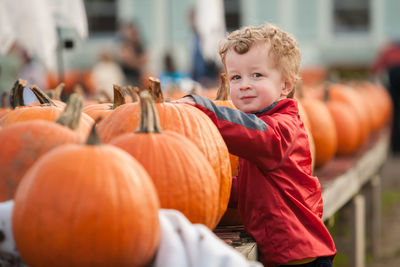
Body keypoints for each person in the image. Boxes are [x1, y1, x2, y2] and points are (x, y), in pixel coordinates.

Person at [174, 23, 337, 266]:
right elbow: (253, 190)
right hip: (280, 253)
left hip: (300, 256)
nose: (244, 85)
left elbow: (258, 136)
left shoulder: (283, 128)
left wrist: (202, 108)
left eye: (257, 75)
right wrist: (207, 188)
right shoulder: (261, 124)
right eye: (236, 77)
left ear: (285, 85)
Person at [371, 40, 400, 154]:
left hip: (393, 82)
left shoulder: (388, 52)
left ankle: (396, 146)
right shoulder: (389, 52)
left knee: (395, 114)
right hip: (393, 81)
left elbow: (376, 67)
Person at [118, 22, 148, 87]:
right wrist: (137, 61)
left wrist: (133, 60)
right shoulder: (125, 44)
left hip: (138, 77)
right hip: (127, 77)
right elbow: (126, 60)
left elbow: (145, 60)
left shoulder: (139, 45)